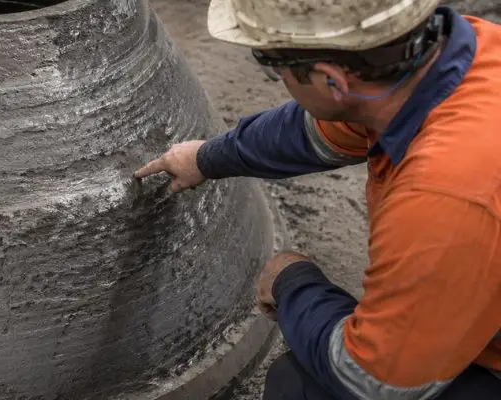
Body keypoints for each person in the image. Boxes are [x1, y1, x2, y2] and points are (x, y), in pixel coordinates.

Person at [134, 1, 501, 399]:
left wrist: (292, 282)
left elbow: (372, 381)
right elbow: (315, 131)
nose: (275, 77)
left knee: (301, 387)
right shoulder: (458, 53)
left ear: (332, 80)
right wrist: (206, 158)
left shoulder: (444, 194)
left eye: (272, 65)